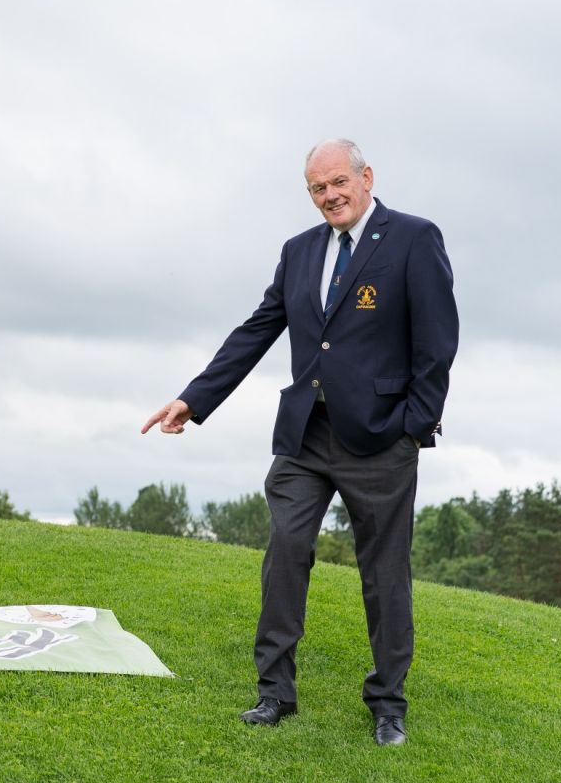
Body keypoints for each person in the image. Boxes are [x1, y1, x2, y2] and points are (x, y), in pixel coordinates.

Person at [141, 139, 458, 746]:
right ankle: (274, 693)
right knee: (285, 551)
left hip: (381, 437)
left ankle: (388, 704)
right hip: (303, 435)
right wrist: (193, 399)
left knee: (384, 574)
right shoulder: (299, 251)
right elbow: (258, 329)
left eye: (339, 182)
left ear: (366, 178)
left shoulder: (414, 239)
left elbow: (438, 340)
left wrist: (415, 426)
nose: (330, 196)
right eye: (318, 188)